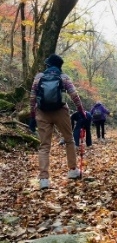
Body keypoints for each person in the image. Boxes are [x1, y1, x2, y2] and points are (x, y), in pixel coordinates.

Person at [29, 54, 87, 189]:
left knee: (44, 146)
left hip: (42, 112)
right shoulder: (63, 77)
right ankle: (72, 170)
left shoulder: (39, 77)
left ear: (48, 65)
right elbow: (74, 95)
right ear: (60, 65)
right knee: (69, 140)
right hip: (60, 111)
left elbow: (32, 97)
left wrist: (32, 115)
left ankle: (44, 179)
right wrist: (81, 111)